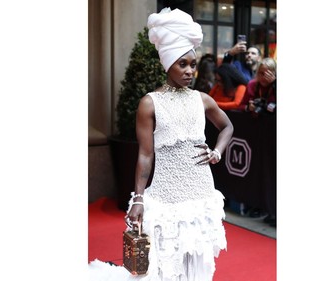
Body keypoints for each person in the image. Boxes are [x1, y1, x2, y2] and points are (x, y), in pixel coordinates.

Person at [89, 7, 234, 281]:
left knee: (197, 263)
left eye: (193, 64)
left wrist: (217, 152)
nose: (190, 71)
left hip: (201, 193)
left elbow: (227, 126)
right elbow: (145, 156)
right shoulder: (149, 103)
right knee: (164, 264)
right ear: (166, 63)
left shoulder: (202, 99)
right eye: (183, 64)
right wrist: (138, 198)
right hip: (166, 197)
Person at [244, 57, 277, 227]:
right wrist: (249, 107)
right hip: (256, 137)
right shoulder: (252, 85)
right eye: (260, 72)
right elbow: (242, 105)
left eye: (267, 73)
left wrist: (276, 84)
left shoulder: (277, 85)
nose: (263, 76)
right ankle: (258, 207)